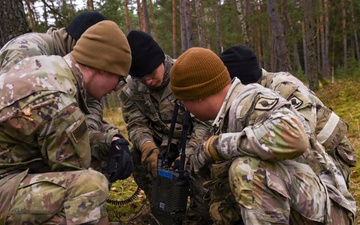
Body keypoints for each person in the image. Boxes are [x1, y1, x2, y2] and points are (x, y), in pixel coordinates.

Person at [170, 47, 355, 224]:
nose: (186, 108)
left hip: (331, 212)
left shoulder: (248, 101)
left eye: (184, 100)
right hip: (308, 204)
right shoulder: (229, 112)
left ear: (199, 95)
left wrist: (218, 146)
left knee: (247, 170)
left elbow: (295, 138)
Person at [0, 20, 133, 224]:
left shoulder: (46, 66)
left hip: (11, 167)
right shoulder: (61, 103)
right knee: (90, 187)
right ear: (104, 69)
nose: (116, 89)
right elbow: (74, 172)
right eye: (119, 79)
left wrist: (108, 141)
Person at [0, 11, 124, 178]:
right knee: (87, 180)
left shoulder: (69, 70)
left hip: (25, 147)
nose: (116, 88)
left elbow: (87, 106)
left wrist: (109, 137)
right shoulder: (28, 51)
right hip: (12, 161)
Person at [220, 45, 356, 188]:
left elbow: (300, 137)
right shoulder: (256, 92)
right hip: (312, 161)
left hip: (333, 162)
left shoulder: (282, 87)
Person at [119, 30, 212, 224]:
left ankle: (197, 214)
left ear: (160, 60)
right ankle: (161, 207)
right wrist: (147, 146)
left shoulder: (186, 74)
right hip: (161, 147)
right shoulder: (131, 88)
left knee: (203, 204)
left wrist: (188, 154)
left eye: (152, 74)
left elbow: (205, 123)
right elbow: (136, 122)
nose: (149, 81)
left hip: (196, 144)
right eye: (142, 78)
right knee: (136, 155)